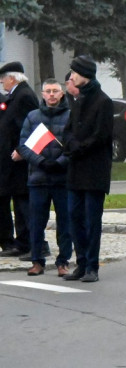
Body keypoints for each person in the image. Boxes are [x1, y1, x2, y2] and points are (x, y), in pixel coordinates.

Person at [64, 55, 113, 283]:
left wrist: (80, 147)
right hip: (76, 170)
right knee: (74, 217)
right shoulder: (77, 100)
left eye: (74, 72)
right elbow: (68, 129)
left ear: (84, 74)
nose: (71, 77)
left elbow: (101, 136)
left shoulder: (103, 101)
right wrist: (70, 144)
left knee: (92, 220)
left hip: (94, 171)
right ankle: (81, 263)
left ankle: (92, 266)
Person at [18, 78, 71, 276]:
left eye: (55, 91)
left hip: (62, 178)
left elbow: (72, 145)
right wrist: (40, 162)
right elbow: (23, 145)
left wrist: (58, 163)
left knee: (65, 222)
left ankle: (63, 261)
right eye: (47, 91)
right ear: (42, 94)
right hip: (38, 178)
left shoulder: (70, 116)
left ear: (61, 93)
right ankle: (37, 261)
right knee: (36, 222)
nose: (51, 95)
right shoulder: (32, 117)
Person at [0, 61, 38, 259]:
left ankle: (31, 243)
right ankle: (22, 243)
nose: (1, 82)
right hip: (12, 160)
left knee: (24, 203)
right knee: (18, 201)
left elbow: (31, 127)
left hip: (20, 160)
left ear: (12, 78)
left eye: (3, 78)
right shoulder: (15, 95)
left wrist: (21, 150)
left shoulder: (24, 96)